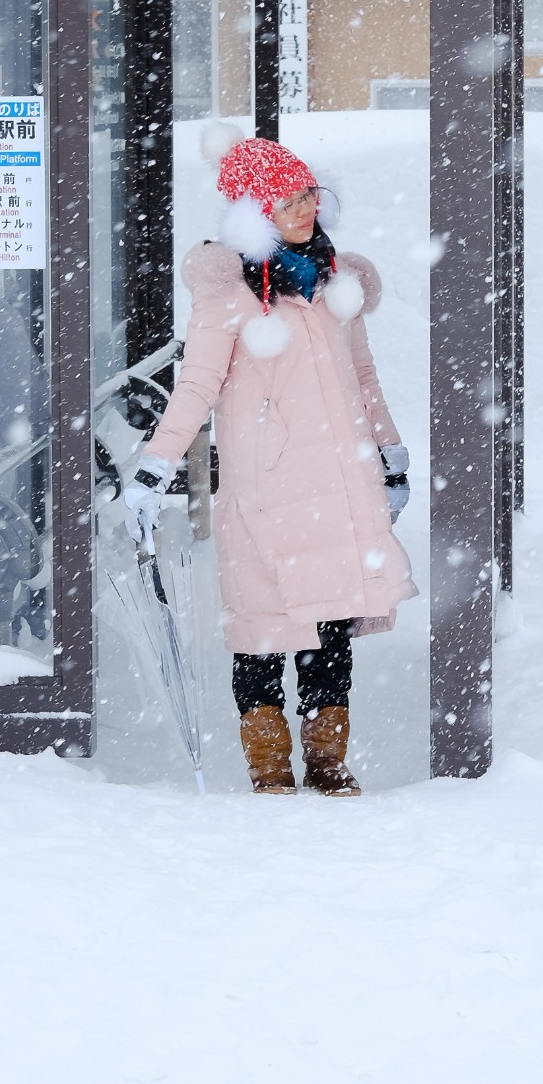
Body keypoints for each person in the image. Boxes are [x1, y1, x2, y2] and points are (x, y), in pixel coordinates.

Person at [124, 134, 415, 797]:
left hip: (338, 487)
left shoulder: (337, 286)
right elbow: (195, 387)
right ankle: (268, 768)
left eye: (307, 193)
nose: (303, 207)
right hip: (266, 495)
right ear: (254, 212)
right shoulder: (227, 296)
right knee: (259, 633)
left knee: (330, 631)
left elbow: (364, 379)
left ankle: (327, 762)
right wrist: (154, 467)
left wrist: (390, 456)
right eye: (285, 199)